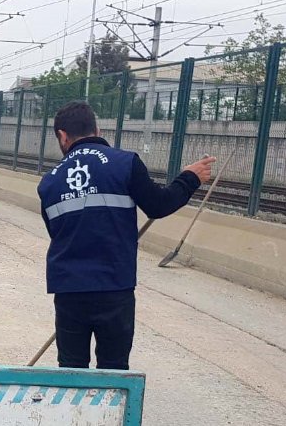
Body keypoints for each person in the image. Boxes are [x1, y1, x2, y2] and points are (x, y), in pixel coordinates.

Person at [37, 101, 215, 370]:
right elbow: (159, 205)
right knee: (113, 368)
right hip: (114, 287)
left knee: (71, 371)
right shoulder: (125, 164)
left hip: (69, 290)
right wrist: (189, 178)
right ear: (97, 129)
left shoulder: (49, 182)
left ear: (62, 136)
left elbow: (58, 233)